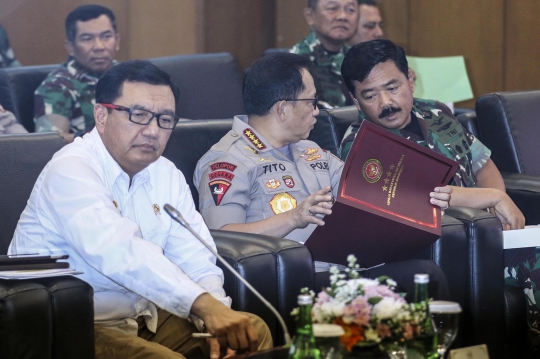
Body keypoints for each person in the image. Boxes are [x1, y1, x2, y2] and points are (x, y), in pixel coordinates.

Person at [10, 60, 271, 359]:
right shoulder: (71, 169)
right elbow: (119, 251)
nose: (152, 131)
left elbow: (194, 257)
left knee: (250, 332)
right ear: (102, 115)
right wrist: (202, 304)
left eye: (165, 119)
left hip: (144, 316)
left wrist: (215, 313)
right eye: (139, 115)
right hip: (70, 325)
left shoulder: (165, 173)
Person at [194, 52, 452, 299]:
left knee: (426, 275)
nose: (316, 111)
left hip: (345, 270)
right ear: (283, 108)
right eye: (311, 102)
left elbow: (363, 193)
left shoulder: (312, 151)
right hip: (292, 281)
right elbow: (222, 240)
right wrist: (293, 218)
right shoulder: (227, 161)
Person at [339, 38, 525, 231]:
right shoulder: (360, 146)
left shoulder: (434, 110)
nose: (386, 103)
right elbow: (421, 203)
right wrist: (493, 198)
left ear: (410, 80)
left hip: (486, 231)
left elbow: (482, 165)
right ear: (356, 100)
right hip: (441, 244)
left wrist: (496, 211)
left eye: (392, 88)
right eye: (370, 96)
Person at [34, 5, 120, 143]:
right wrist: (99, 137)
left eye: (106, 36)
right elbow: (48, 142)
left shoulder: (129, 77)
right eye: (87, 38)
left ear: (117, 41)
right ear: (70, 47)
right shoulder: (57, 86)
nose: (99, 46)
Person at [290, 0, 359, 109]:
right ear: (310, 15)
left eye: (350, 10)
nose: (343, 16)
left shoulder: (358, 58)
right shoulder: (295, 62)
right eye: (332, 8)